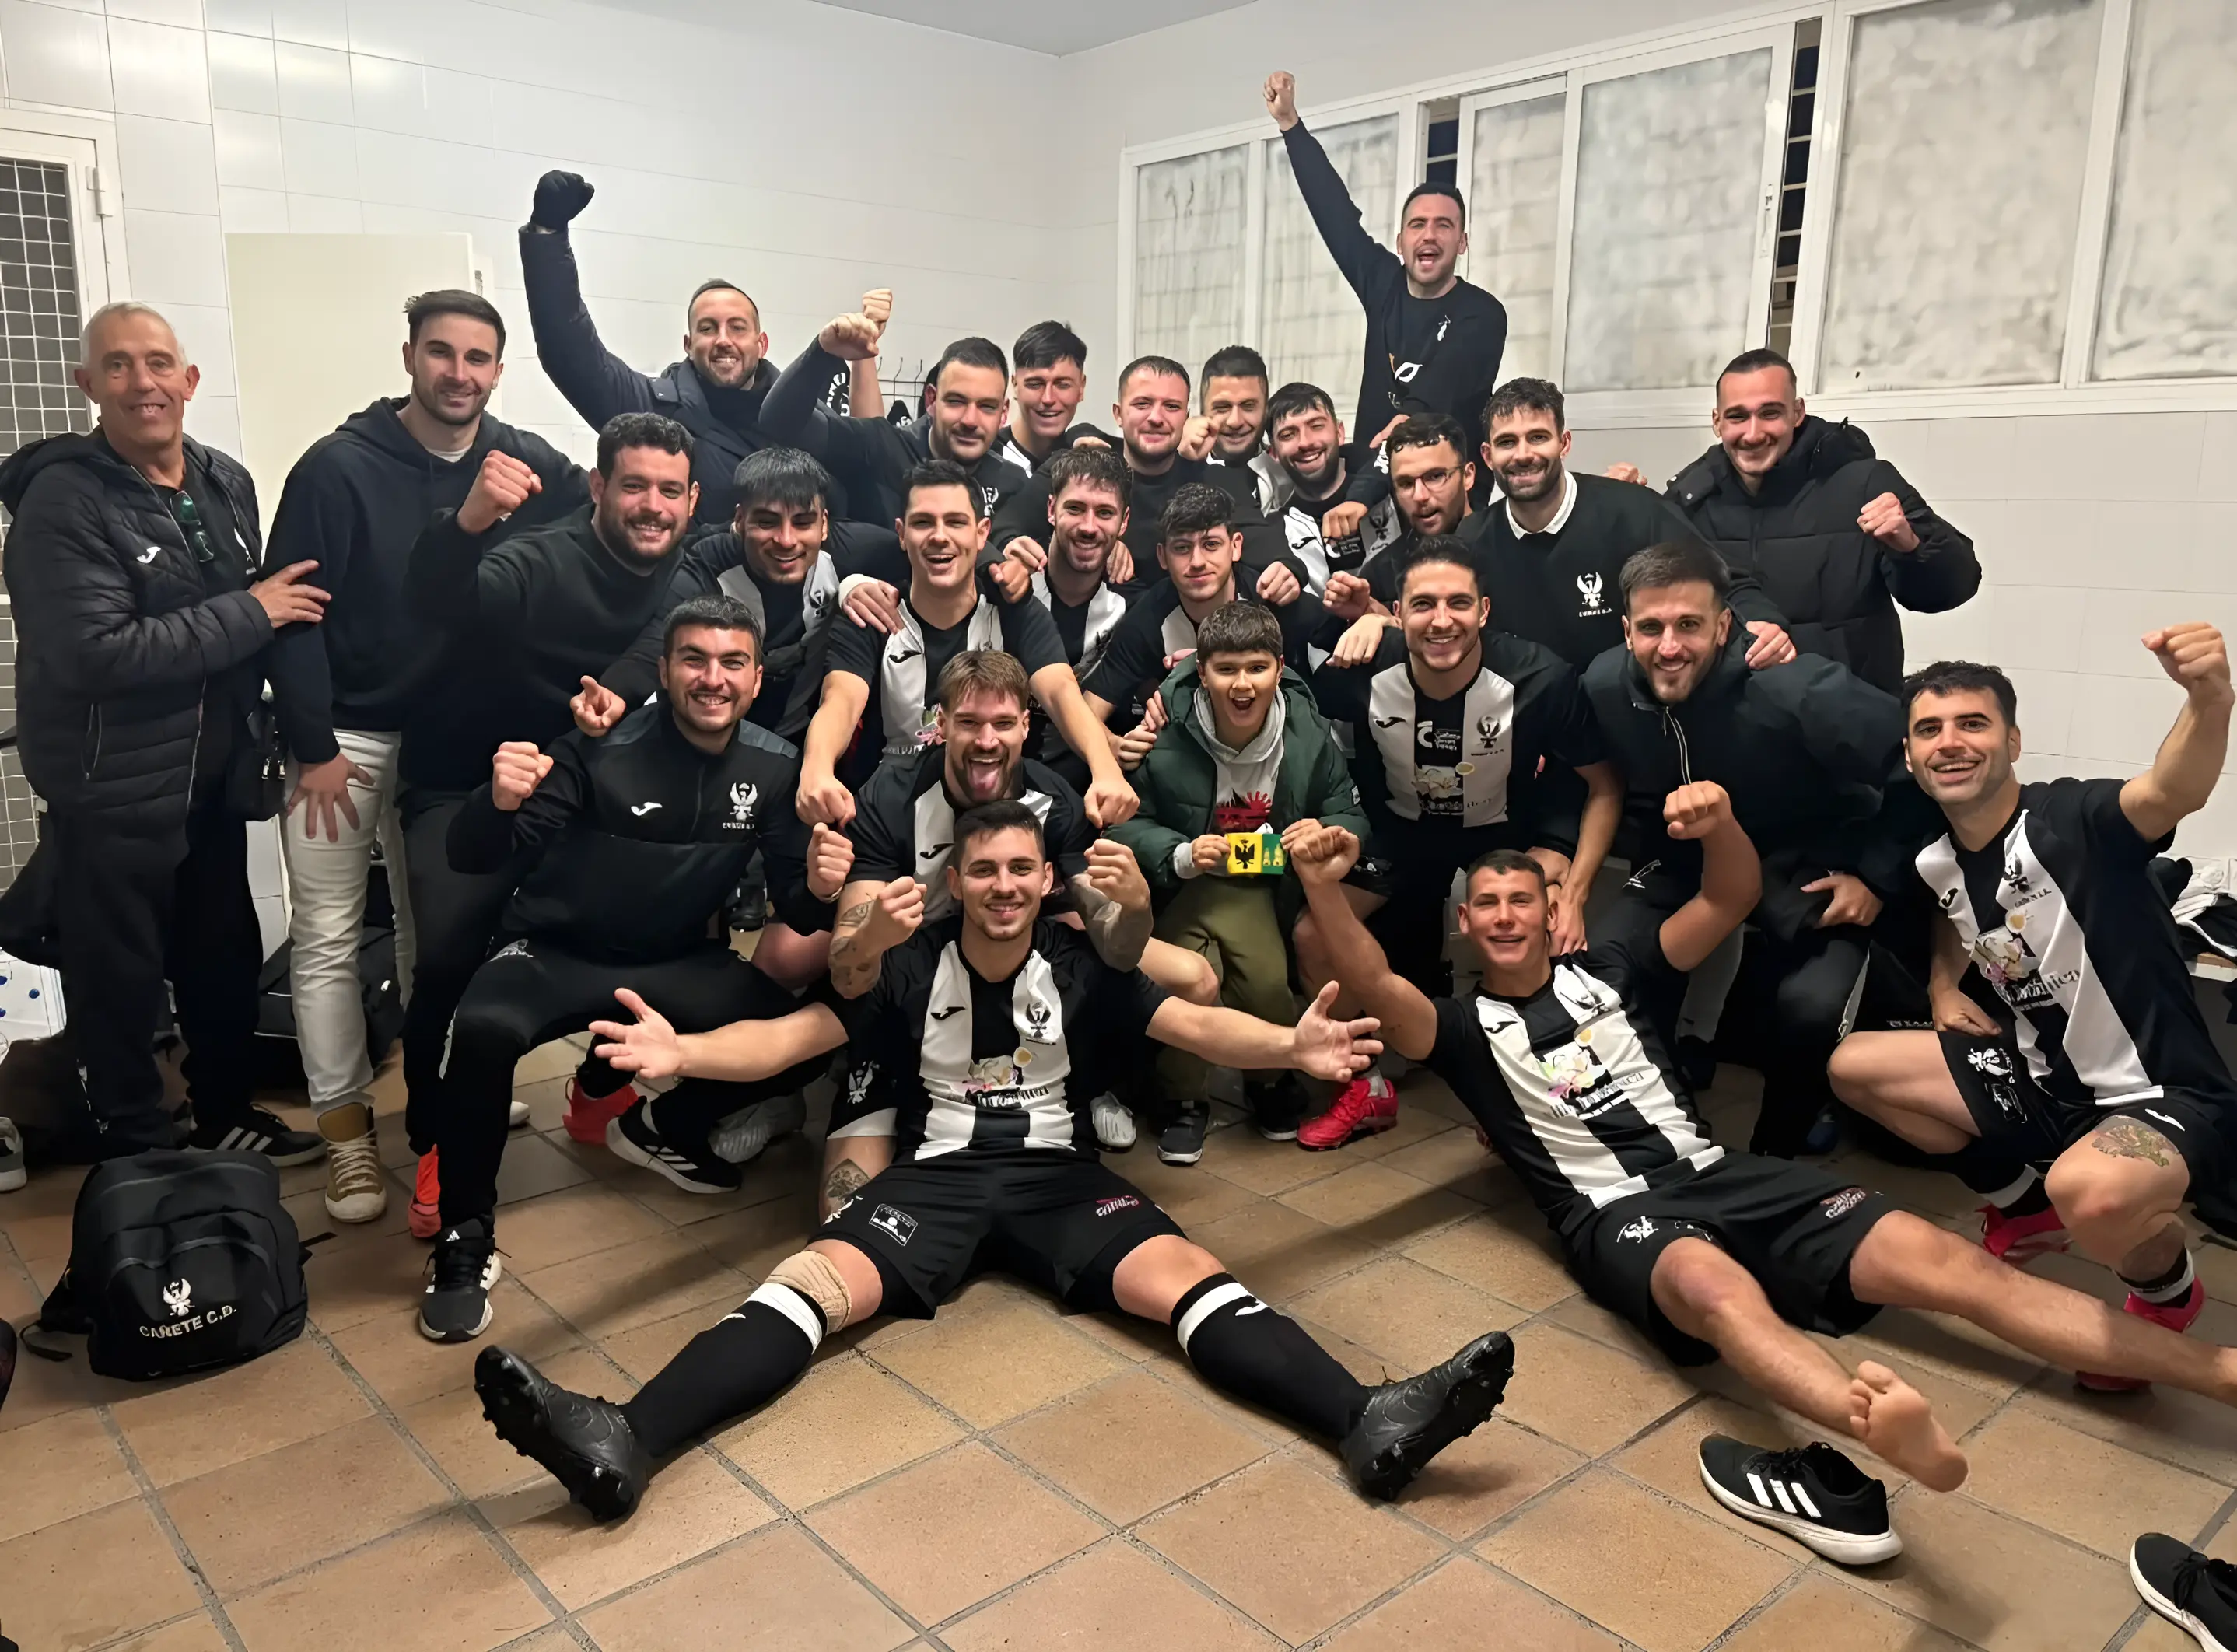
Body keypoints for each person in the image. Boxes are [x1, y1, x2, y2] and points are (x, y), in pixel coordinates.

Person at [471, 798, 1516, 1522]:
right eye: (985, 870)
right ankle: (627, 1440)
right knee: (802, 1291)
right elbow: (791, 1043)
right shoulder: (908, 964)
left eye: (1023, 868)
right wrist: (682, 1052)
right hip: (933, 1184)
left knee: (1200, 1290)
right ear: (954, 881)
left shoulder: (1082, 960)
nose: (1006, 885)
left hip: (1066, 1183)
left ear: (1046, 878)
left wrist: (1290, 1045)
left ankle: (1365, 1420)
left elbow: (1198, 1030)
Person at [1292, 796, 2237, 1553]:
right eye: (1486, 906)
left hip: (1722, 1170)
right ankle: (1869, 1423)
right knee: (1714, 1288)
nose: (1503, 917)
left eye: (1520, 902)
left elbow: (1726, 899)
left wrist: (1723, 828)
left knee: (1951, 1267)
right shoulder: (1456, 1030)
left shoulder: (1615, 968)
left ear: (1552, 911)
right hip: (1615, 1211)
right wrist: (1323, 889)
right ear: (1464, 921)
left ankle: (2218, 1373)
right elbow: (1372, 982)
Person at [421, 595, 831, 1341]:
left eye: (733, 662)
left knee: (808, 1035)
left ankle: (654, 1120)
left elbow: (797, 904)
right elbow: (472, 855)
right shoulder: (597, 747)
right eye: (694, 660)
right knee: (481, 1031)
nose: (714, 679)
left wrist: (824, 886)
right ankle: (464, 1239)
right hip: (553, 951)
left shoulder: (775, 767)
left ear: (758, 678)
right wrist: (496, 803)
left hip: (672, 960)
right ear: (665, 672)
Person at [1829, 643, 2237, 1388]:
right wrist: (1942, 989)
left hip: (2160, 1095)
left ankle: (2167, 1296)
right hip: (2047, 1087)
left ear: (2012, 742)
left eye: (1973, 723)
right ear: (1912, 757)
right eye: (1930, 730)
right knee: (1855, 1066)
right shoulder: (1937, 861)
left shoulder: (2070, 819)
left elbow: (2170, 792)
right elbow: (1962, 920)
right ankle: (2025, 1207)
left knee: (2090, 1191)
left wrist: (2209, 698)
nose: (1950, 741)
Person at [263, 289, 586, 1221]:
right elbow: (290, 612)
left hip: (456, 740)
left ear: (497, 367)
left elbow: (614, 503)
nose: (458, 373)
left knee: (435, 936)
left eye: (477, 357)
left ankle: (441, 1104)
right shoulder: (335, 468)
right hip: (349, 736)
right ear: (409, 356)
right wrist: (312, 741)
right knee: (326, 934)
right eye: (441, 353)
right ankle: (345, 1134)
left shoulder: (523, 459)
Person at [0, 301, 328, 1164]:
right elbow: (92, 654)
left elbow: (268, 610)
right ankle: (141, 1155)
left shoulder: (225, 481)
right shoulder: (61, 500)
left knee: (222, 958)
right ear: (89, 386)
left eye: (157, 363)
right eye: (117, 366)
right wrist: (248, 613)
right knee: (121, 985)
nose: (141, 382)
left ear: (188, 381)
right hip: (114, 791)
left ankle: (226, 1113)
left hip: (214, 785)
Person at [396, 411, 699, 1233]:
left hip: (573, 788)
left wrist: (620, 689)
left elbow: (661, 641)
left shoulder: (682, 578)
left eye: (669, 490)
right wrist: (465, 523)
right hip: (462, 783)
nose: (651, 505)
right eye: (632, 485)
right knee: (453, 954)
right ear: (598, 487)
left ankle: (597, 1091)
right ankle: (437, 1138)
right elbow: (438, 598)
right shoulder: (541, 557)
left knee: (637, 929)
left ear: (692, 499)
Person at [1583, 542, 1906, 1158]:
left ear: (1724, 625)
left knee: (1810, 1009)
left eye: (1689, 626)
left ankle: (1776, 1156)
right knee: (1609, 968)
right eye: (1650, 628)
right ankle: (1669, 1135)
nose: (1669, 646)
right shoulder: (1603, 685)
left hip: (1808, 859)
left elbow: (1911, 767)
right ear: (1626, 630)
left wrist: (1876, 877)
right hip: (1685, 855)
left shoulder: (1796, 685)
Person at [1301, 537, 1619, 1148]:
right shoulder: (1364, 666)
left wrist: (1573, 889)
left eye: (1457, 604)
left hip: (1506, 832)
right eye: (1423, 605)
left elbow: (1603, 785)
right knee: (1314, 934)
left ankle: (1531, 1098)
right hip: (1400, 831)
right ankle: (1364, 1090)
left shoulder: (1541, 676)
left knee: (1538, 921)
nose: (1441, 621)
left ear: (1485, 611)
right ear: (1398, 613)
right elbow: (1277, 682)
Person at [1108, 603, 1370, 1163]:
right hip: (1181, 883)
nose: (1242, 684)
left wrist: (1326, 834)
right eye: (1226, 669)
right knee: (1240, 975)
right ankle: (1266, 1081)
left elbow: (1350, 816)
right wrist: (1179, 852)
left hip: (1269, 880)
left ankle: (1184, 1098)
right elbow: (1123, 824)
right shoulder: (1163, 732)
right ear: (1201, 672)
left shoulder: (1308, 735)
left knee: (1237, 972)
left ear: (1279, 668)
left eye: (1256, 667)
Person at [793, 460, 1135, 827]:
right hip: (899, 811)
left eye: (956, 522)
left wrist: (1106, 770)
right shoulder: (874, 610)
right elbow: (840, 701)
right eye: (924, 523)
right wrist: (816, 769)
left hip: (998, 805)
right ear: (902, 533)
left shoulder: (1012, 608)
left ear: (981, 533)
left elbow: (1060, 692)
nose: (940, 536)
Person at [1664, 348, 1978, 694]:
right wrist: (1619, 503)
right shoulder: (1690, 502)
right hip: (1738, 727)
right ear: (1716, 421)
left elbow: (1953, 587)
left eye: (1770, 413)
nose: (1753, 434)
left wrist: (1911, 547)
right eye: (1737, 417)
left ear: (1798, 412)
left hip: (1850, 723)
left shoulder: (1864, 484)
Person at [1265, 71, 1507, 484]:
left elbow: (1438, 391)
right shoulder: (1384, 286)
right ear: (1400, 240)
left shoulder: (1482, 314)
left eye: (1443, 225)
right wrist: (1291, 126)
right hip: (1373, 483)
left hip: (1447, 494)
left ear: (1462, 242)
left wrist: (1401, 428)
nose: (1429, 234)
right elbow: (1335, 215)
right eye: (1417, 225)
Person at [585, 448, 904, 747]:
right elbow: (661, 639)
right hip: (719, 740)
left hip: (804, 740)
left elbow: (930, 557)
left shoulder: (856, 551)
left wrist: (856, 584)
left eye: (803, 522)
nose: (786, 540)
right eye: (767, 522)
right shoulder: (708, 561)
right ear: (739, 521)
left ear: (824, 524)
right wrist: (614, 694)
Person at [1468, 378, 1791, 672]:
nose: (1523, 455)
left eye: (1538, 437)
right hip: (1524, 719)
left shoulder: (1635, 511)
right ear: (1487, 455)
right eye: (1507, 442)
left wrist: (1763, 623)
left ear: (1564, 443)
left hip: (1620, 714)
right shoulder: (1471, 541)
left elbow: (1723, 579)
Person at [519, 171, 776, 525]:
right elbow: (572, 355)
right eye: (707, 328)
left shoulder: (801, 416)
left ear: (761, 344)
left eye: (737, 327)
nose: (722, 340)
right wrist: (548, 237)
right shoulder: (652, 411)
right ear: (688, 345)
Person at [992, 355, 1282, 593]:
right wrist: (1014, 545)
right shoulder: (1082, 466)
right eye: (1142, 404)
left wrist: (1288, 569)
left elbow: (1261, 538)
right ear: (1118, 414)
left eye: (1171, 407)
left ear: (1186, 416)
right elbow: (1006, 523)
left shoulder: (1212, 480)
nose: (1156, 418)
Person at [1081, 485, 1323, 742]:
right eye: (1182, 548)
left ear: (1235, 546)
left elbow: (1346, 634)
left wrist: (1370, 617)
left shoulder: (1271, 599)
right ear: (1162, 556)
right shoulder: (1148, 618)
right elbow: (1086, 712)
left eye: (1211, 544)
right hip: (1191, 753)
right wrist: (1110, 748)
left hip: (1280, 743)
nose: (1197, 561)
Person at [759, 303, 1027, 527]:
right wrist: (822, 352)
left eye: (986, 407)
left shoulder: (1012, 484)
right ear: (931, 400)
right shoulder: (879, 447)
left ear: (1004, 413)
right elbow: (780, 423)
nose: (970, 420)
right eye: (956, 401)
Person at [1014, 447, 1133, 789]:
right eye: (1075, 509)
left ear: (1124, 522)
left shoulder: (1130, 608)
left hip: (1085, 792)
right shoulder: (1008, 591)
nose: (1089, 527)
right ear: (1051, 509)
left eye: (1105, 513)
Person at [1265, 381, 1402, 600]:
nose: (1305, 442)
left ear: (1340, 432)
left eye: (1316, 425)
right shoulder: (1278, 530)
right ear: (1273, 453)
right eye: (1288, 434)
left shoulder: (1393, 483)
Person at [989, 320, 1092, 474]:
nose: (1048, 399)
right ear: (1015, 385)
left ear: (1081, 387)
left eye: (1062, 385)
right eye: (1035, 384)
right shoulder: (986, 459)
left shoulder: (1090, 464)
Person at [1199, 344, 1284, 512]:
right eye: (1222, 408)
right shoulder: (1177, 475)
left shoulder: (1287, 475)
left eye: (1248, 406)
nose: (1235, 421)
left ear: (1266, 410)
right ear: (1202, 412)